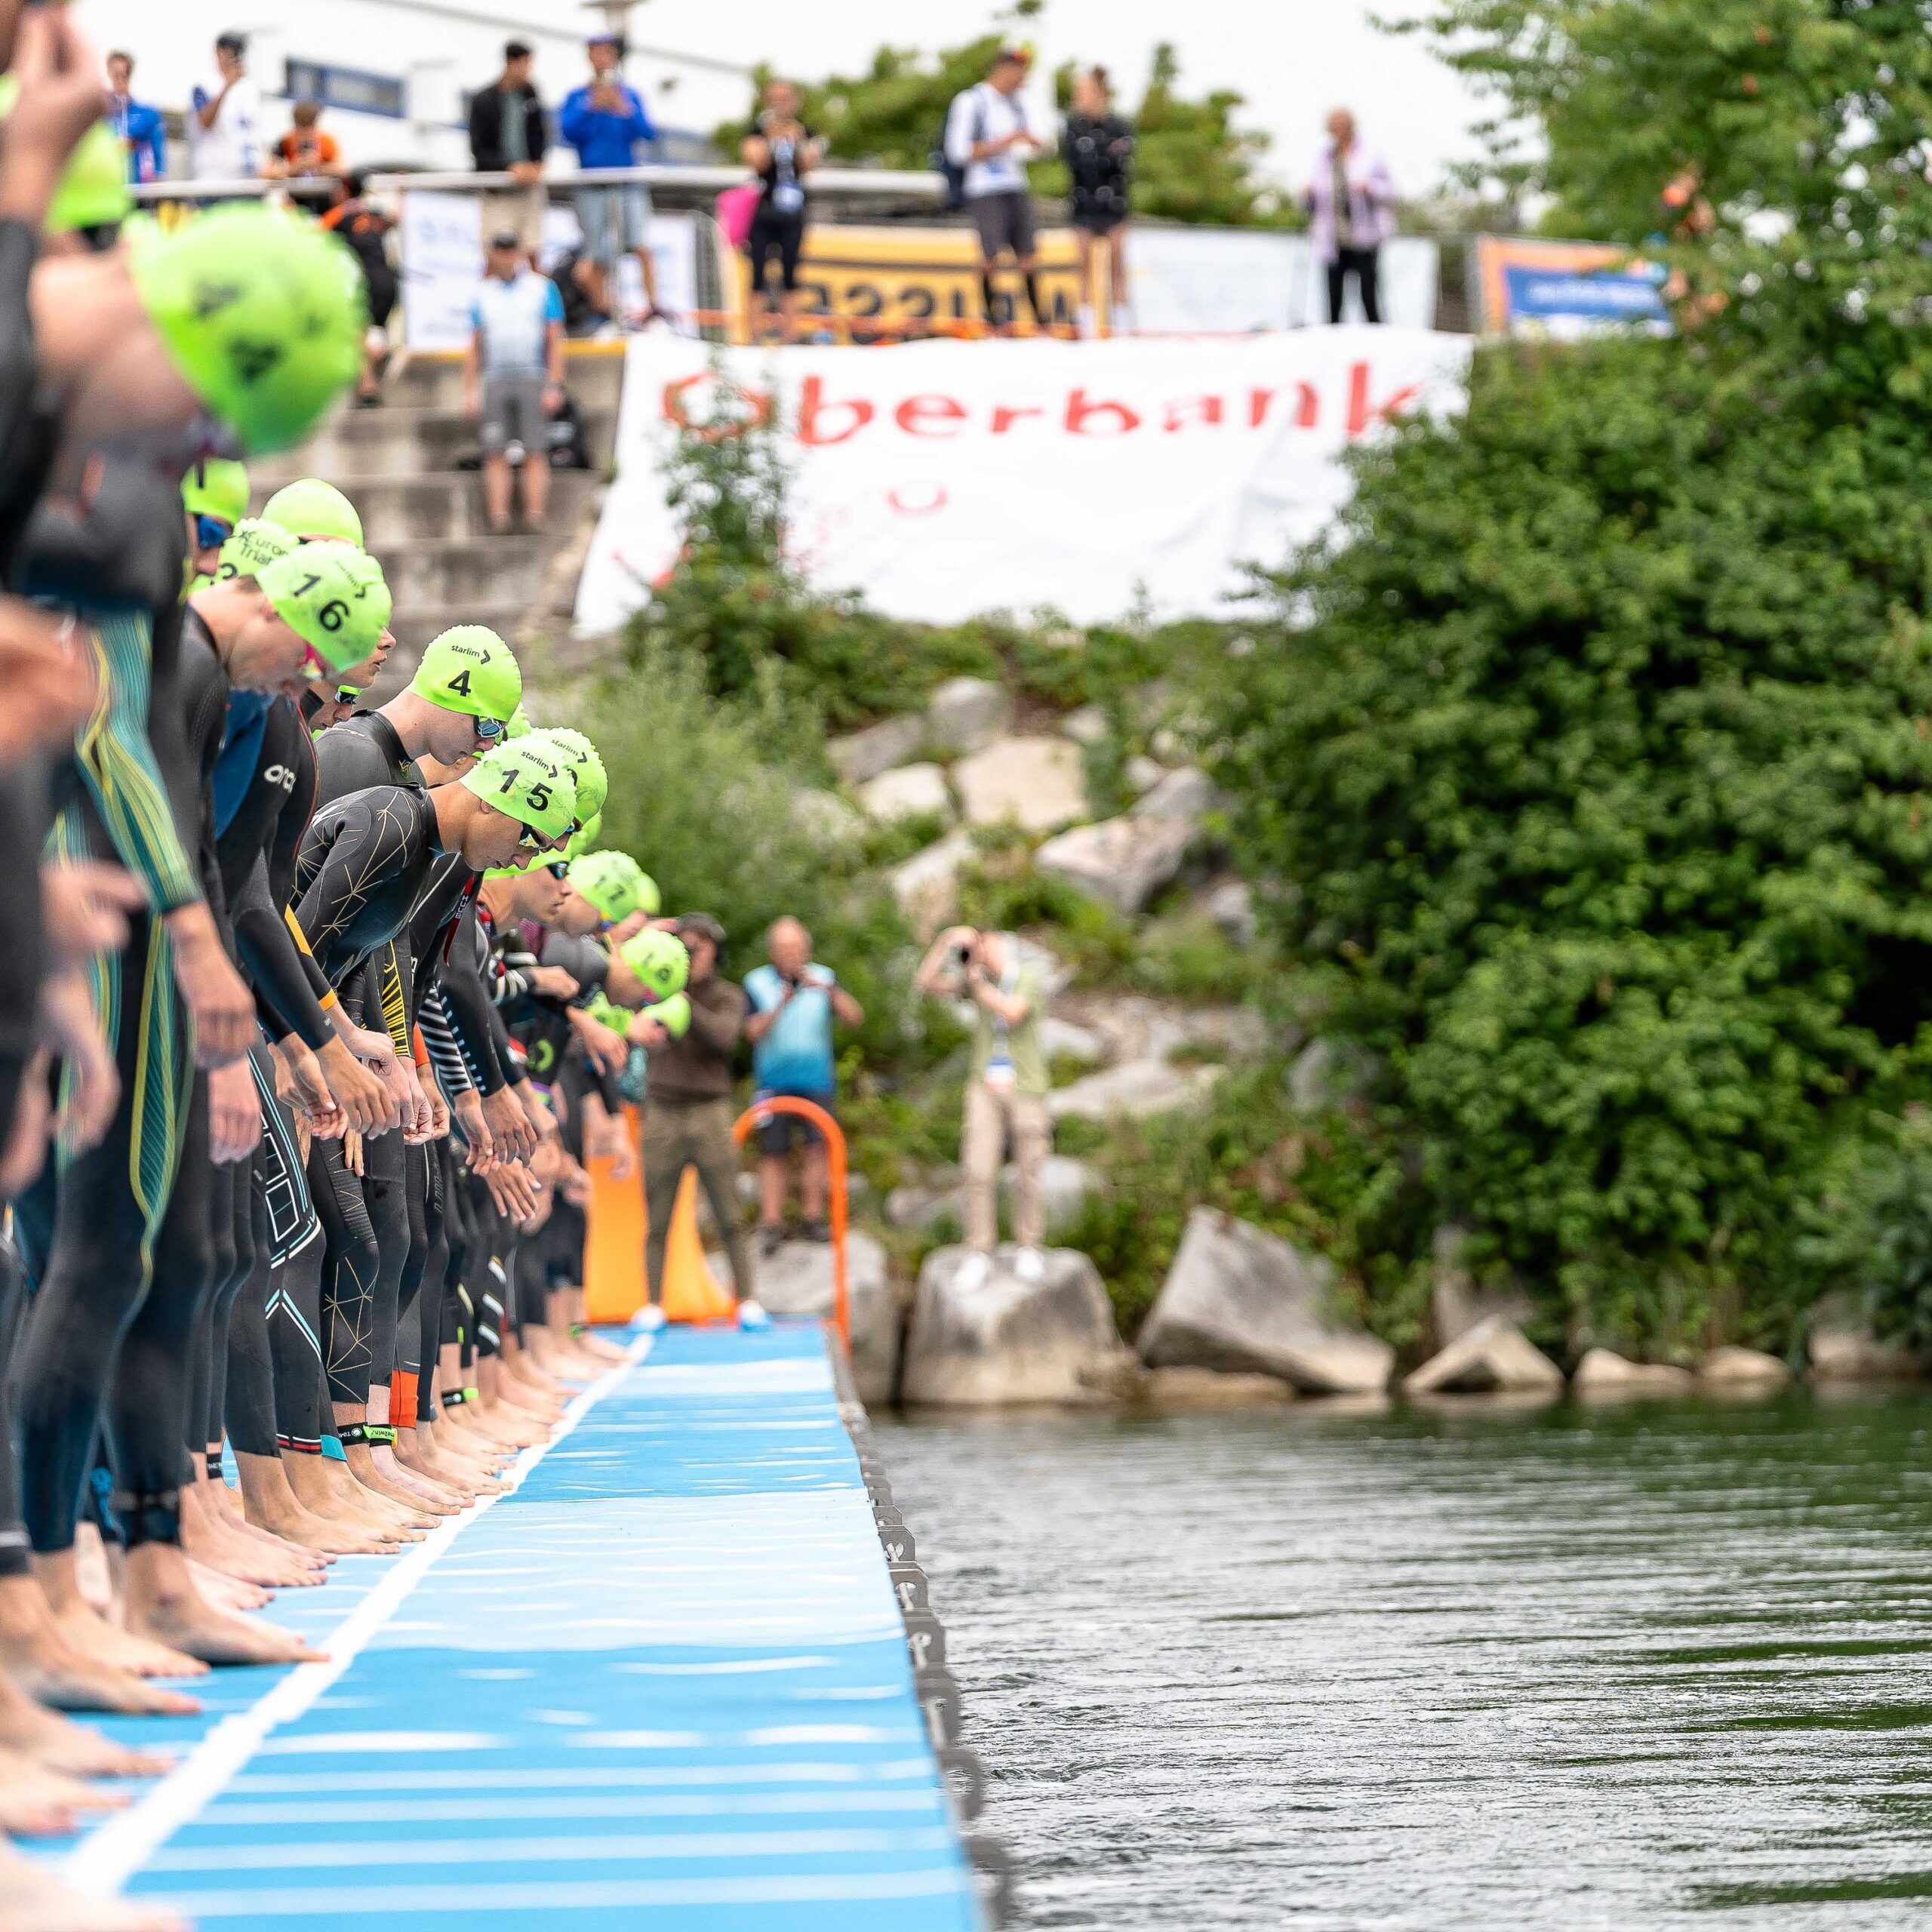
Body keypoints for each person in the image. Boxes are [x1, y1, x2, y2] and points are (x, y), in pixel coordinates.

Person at [635, 915, 765, 1331]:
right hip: (662, 1109)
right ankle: (653, 1301)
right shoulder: (652, 992)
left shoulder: (728, 996)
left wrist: (685, 1003)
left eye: (699, 948)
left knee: (729, 1211)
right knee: (657, 1213)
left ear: (716, 953)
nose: (691, 957)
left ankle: (746, 1299)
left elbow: (725, 1039)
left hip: (710, 1111)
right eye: (684, 948)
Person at [916, 925, 1051, 1286]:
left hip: (1026, 1084)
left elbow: (1012, 1013)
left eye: (984, 945)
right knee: (977, 1168)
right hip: (984, 1086)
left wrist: (976, 983)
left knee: (1029, 1168)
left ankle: (1029, 1245)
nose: (980, 952)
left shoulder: (1028, 977)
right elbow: (925, 983)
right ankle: (978, 1250)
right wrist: (946, 940)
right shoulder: (976, 982)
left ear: (1003, 944)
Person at [743, 918, 860, 1254]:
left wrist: (829, 991)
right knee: (772, 1153)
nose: (790, 955)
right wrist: (782, 1002)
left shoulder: (823, 977)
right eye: (783, 949)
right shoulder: (757, 982)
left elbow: (855, 1018)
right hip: (772, 1082)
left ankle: (812, 1218)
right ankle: (771, 1223)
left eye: (796, 948)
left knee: (817, 1148)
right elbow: (751, 1033)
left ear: (806, 949)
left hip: (816, 1081)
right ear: (772, 952)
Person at [557, 32, 664, 328]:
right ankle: (605, 312)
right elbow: (567, 131)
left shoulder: (629, 95)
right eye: (596, 52)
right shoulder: (577, 97)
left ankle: (654, 309)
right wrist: (592, 106)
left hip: (627, 182)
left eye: (606, 52)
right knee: (596, 255)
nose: (602, 58)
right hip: (592, 184)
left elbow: (647, 132)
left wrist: (622, 108)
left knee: (641, 244)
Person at [464, 229, 565, 534]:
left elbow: (555, 341)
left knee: (535, 450)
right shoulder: (483, 293)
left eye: (510, 250)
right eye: (500, 250)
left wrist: (554, 383)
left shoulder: (542, 288)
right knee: (495, 451)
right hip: (496, 376)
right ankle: (499, 518)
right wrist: (469, 388)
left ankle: (535, 516)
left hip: (532, 374)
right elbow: (475, 345)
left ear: (520, 253)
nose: (505, 256)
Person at [945, 46, 1050, 334]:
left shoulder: (1017, 104)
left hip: (1015, 184)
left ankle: (1040, 322)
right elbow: (957, 151)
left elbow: (1032, 144)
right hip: (984, 188)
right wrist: (1006, 141)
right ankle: (993, 320)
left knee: (1028, 256)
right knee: (990, 257)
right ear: (1004, 70)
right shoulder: (971, 101)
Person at [738, 80, 820, 343]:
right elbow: (755, 162)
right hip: (765, 208)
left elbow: (809, 163)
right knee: (758, 271)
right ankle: (754, 335)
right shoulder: (759, 132)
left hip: (793, 210)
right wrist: (772, 140)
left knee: (791, 272)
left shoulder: (804, 131)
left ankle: (790, 336)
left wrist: (795, 142)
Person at [1062, 66, 1134, 337]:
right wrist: (1103, 153)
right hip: (1083, 203)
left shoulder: (1119, 125)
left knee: (1117, 266)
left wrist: (1100, 154)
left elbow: (1121, 162)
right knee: (1083, 266)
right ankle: (1086, 325)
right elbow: (1077, 162)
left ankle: (1123, 327)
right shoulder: (1073, 125)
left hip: (1114, 204)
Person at [1305, 109, 1393, 326]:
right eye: (1334, 125)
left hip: (1364, 238)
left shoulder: (1371, 153)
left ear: (1351, 125)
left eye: (1342, 124)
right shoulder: (1324, 157)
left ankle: (1378, 342)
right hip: (1333, 239)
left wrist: (1369, 188)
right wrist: (1308, 194)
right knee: (1334, 301)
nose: (1339, 129)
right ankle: (1333, 349)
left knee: (1369, 297)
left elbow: (1391, 191)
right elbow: (1313, 200)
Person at [321, 174, 398, 408]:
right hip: (388, 280)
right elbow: (394, 220)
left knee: (359, 333)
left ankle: (367, 386)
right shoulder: (373, 211)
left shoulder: (340, 214)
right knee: (372, 333)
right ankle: (379, 355)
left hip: (364, 281)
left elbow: (315, 233)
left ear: (343, 190)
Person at [471, 40, 549, 266]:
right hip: (498, 191)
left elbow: (540, 134)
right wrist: (508, 168)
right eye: (524, 64)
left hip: (528, 187)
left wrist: (536, 164)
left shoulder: (531, 95)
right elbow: (479, 150)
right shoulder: (483, 101)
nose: (527, 71)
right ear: (510, 63)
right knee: (495, 258)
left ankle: (542, 301)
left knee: (534, 252)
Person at [187, 31, 263, 185]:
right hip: (215, 176)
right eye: (228, 52)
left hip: (247, 176)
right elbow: (204, 122)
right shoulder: (205, 84)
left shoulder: (249, 87)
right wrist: (227, 86)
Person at [105, 50, 165, 186]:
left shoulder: (147, 114)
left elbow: (158, 150)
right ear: (109, 73)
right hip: (112, 185)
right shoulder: (102, 114)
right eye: (116, 74)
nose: (120, 79)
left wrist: (159, 176)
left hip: (139, 186)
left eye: (124, 75)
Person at [268, 100, 340, 185]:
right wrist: (294, 168)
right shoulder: (286, 141)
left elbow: (341, 170)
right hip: (293, 191)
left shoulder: (326, 141)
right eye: (301, 131)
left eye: (309, 131)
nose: (305, 136)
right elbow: (267, 173)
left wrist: (318, 166)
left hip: (321, 191)